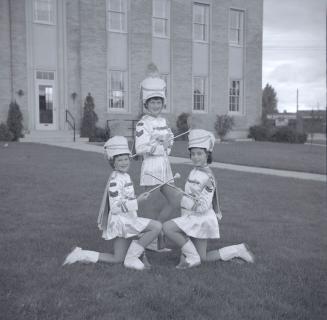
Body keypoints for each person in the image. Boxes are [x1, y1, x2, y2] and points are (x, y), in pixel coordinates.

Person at [63, 136, 162, 270]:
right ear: (113, 163)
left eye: (126, 159)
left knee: (118, 258)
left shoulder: (125, 176)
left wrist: (138, 197)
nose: (123, 162)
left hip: (127, 219)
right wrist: (137, 201)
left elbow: (125, 198)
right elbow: (115, 208)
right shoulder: (115, 180)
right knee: (156, 227)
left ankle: (82, 254)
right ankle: (131, 258)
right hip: (121, 221)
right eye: (119, 160)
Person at [163, 129, 255, 269]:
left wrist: (183, 198)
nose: (195, 157)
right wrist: (181, 194)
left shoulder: (208, 177)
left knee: (167, 227)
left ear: (207, 154)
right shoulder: (194, 171)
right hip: (191, 217)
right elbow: (191, 194)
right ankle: (238, 249)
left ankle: (191, 256)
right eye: (193, 154)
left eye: (199, 153)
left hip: (200, 219)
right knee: (203, 258)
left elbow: (203, 206)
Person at [134, 63, 177, 251]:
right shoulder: (142, 124)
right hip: (151, 168)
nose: (156, 106)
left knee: (175, 200)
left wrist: (167, 145)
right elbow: (140, 147)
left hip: (165, 167)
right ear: (146, 104)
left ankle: (155, 231)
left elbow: (170, 145)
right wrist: (161, 146)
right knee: (149, 207)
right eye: (152, 102)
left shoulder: (164, 121)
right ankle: (152, 240)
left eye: (159, 102)